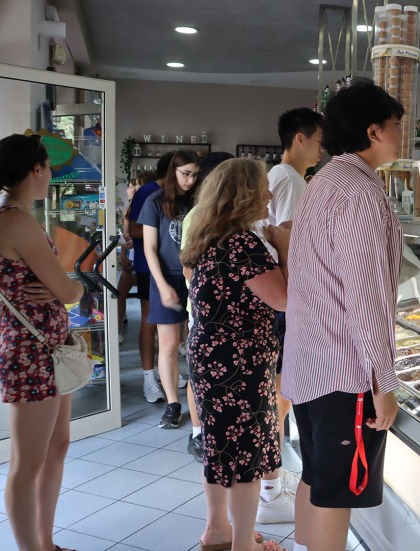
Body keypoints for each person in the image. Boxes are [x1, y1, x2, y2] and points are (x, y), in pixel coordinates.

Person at [282, 79, 404, 551]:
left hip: (311, 362)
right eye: (396, 125)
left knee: (315, 479)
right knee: (336, 495)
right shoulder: (360, 192)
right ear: (374, 131)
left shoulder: (326, 181)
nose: (400, 134)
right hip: (343, 372)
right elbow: (367, 299)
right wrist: (384, 386)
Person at [0, 133, 84, 551]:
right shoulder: (15, 219)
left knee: (57, 447)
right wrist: (70, 289)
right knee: (28, 463)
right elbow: (70, 292)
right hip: (29, 354)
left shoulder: (18, 217)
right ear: (37, 170)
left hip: (47, 353)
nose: (50, 175)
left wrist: (62, 288)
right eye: (48, 168)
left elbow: (59, 287)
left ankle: (45, 543)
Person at [181, 158, 289, 551]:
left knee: (219, 446)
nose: (270, 194)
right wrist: (284, 248)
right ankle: (243, 542)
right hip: (238, 363)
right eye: (263, 187)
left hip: (211, 356)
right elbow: (284, 299)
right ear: (245, 194)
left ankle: (217, 531)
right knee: (245, 452)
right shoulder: (243, 243)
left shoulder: (207, 236)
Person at [255, 107, 324, 525]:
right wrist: (298, 294)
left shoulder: (283, 178)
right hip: (285, 300)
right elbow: (287, 238)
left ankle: (270, 482)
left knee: (278, 394)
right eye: (318, 141)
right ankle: (269, 488)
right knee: (280, 396)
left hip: (279, 298)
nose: (320, 149)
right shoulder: (291, 179)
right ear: (299, 138)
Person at [138, 149, 199, 429]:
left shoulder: (198, 199)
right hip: (166, 276)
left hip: (195, 275)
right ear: (173, 172)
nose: (190, 180)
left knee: (196, 343)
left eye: (195, 174)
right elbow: (150, 249)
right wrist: (162, 285)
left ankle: (199, 401)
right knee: (169, 343)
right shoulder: (154, 201)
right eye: (185, 173)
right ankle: (173, 404)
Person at [181, 152, 235, 462]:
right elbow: (189, 267)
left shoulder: (210, 214)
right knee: (200, 374)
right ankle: (200, 433)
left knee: (205, 373)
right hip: (205, 311)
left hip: (206, 310)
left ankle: (207, 431)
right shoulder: (201, 215)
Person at [128, 153, 175, 404]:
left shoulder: (176, 195)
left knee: (170, 327)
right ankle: (148, 378)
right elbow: (133, 228)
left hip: (170, 267)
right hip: (148, 266)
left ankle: (166, 373)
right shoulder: (148, 191)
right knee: (149, 322)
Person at [117, 170, 153, 338]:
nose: (128, 189)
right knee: (119, 294)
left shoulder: (150, 206)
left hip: (145, 259)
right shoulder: (129, 209)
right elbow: (127, 235)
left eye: (131, 186)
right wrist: (124, 251)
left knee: (149, 304)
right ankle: (115, 332)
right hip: (132, 256)